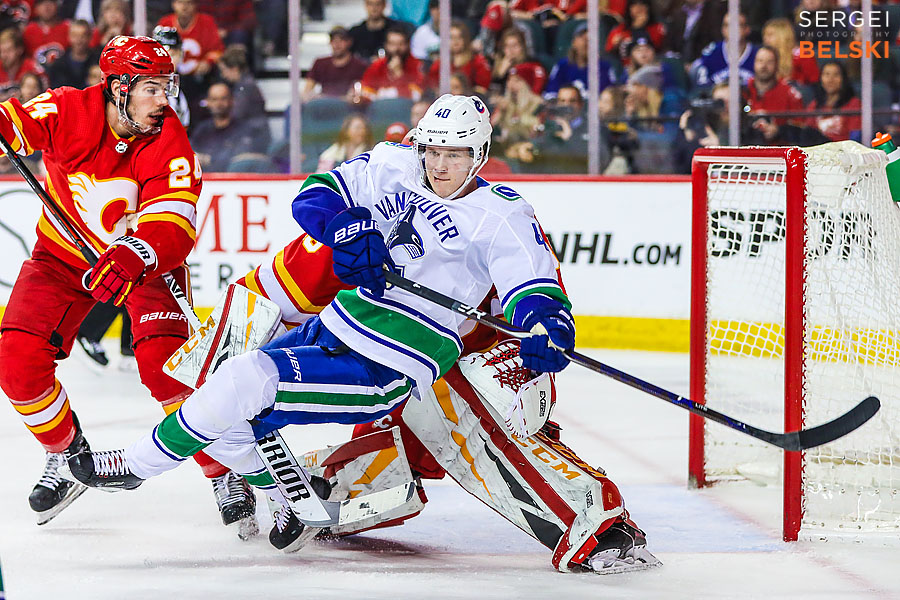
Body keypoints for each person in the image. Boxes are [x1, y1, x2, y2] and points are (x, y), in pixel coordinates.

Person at [63, 95, 623, 565]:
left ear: (478, 155)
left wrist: (544, 320)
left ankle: (137, 464)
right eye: (432, 149)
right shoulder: (396, 163)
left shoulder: (500, 213)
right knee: (224, 402)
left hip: (391, 363)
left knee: (245, 383)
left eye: (455, 154)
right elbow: (316, 194)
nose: (439, 164)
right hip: (339, 325)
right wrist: (348, 228)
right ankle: (281, 495)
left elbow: (532, 281)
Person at [0, 35, 254, 530]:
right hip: (61, 258)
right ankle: (67, 455)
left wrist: (136, 253)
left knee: (169, 375)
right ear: (118, 87)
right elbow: (16, 124)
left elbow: (175, 224)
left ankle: (223, 470)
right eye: (153, 88)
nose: (166, 100)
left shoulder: (169, 141)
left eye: (169, 87)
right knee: (16, 363)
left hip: (144, 267)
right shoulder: (68, 108)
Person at [190, 81, 270, 171]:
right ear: (208, 102)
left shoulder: (245, 130)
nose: (218, 104)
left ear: (232, 100)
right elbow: (191, 156)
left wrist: (210, 160)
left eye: (223, 99)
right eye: (214, 99)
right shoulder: (202, 130)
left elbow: (239, 161)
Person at [742, 45, 804, 145]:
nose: (764, 66)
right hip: (745, 149)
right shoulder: (742, 90)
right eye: (760, 61)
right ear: (754, 63)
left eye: (769, 62)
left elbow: (800, 130)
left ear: (777, 65)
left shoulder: (790, 94)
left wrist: (778, 130)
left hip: (779, 152)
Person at [157, 0, 224, 79]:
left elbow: (217, 51)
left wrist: (207, 62)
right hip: (171, 74)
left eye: (188, 3)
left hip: (200, 76)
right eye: (180, 3)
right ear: (173, 4)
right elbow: (157, 51)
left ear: (195, 5)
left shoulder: (207, 22)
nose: (184, 7)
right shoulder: (165, 23)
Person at [692, 11, 757, 88]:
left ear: (747, 29)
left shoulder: (759, 55)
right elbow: (702, 87)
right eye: (727, 25)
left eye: (738, 25)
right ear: (723, 30)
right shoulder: (711, 53)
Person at [358, 25, 423, 101]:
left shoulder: (417, 65)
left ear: (408, 45)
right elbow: (366, 92)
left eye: (401, 44)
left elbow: (416, 98)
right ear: (386, 45)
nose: (396, 48)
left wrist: (398, 74)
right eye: (392, 44)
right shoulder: (377, 65)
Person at [425, 20, 491, 96]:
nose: (455, 41)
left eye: (459, 37)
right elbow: (431, 85)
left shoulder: (478, 61)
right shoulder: (440, 63)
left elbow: (482, 90)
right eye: (451, 38)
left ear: (465, 39)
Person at [303, 25, 369, 100]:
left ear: (349, 42)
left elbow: (364, 93)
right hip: (324, 105)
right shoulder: (320, 63)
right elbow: (307, 90)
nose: (337, 44)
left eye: (341, 40)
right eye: (334, 40)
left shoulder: (360, 66)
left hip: (349, 107)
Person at [805, 60, 861, 142]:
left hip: (842, 150)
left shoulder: (854, 104)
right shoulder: (814, 105)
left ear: (843, 79)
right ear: (821, 79)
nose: (830, 80)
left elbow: (855, 137)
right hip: (819, 150)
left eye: (836, 75)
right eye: (827, 75)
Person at [761, 17, 818, 86]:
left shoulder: (802, 55)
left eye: (770, 35)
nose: (765, 38)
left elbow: (814, 82)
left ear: (782, 36)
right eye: (764, 35)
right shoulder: (765, 56)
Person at [216, 44, 265, 122]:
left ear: (235, 69)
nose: (223, 75)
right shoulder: (243, 84)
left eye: (224, 70)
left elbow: (236, 115)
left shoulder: (245, 87)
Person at [46, 19, 98, 89]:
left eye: (83, 36)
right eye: (75, 36)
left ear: (90, 37)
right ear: (69, 37)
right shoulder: (58, 66)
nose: (79, 40)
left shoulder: (98, 62)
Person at [23, 0, 71, 67]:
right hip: (36, 75)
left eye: (50, 2)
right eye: (42, 3)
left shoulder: (68, 28)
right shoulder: (28, 31)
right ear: (36, 8)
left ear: (57, 6)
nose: (46, 7)